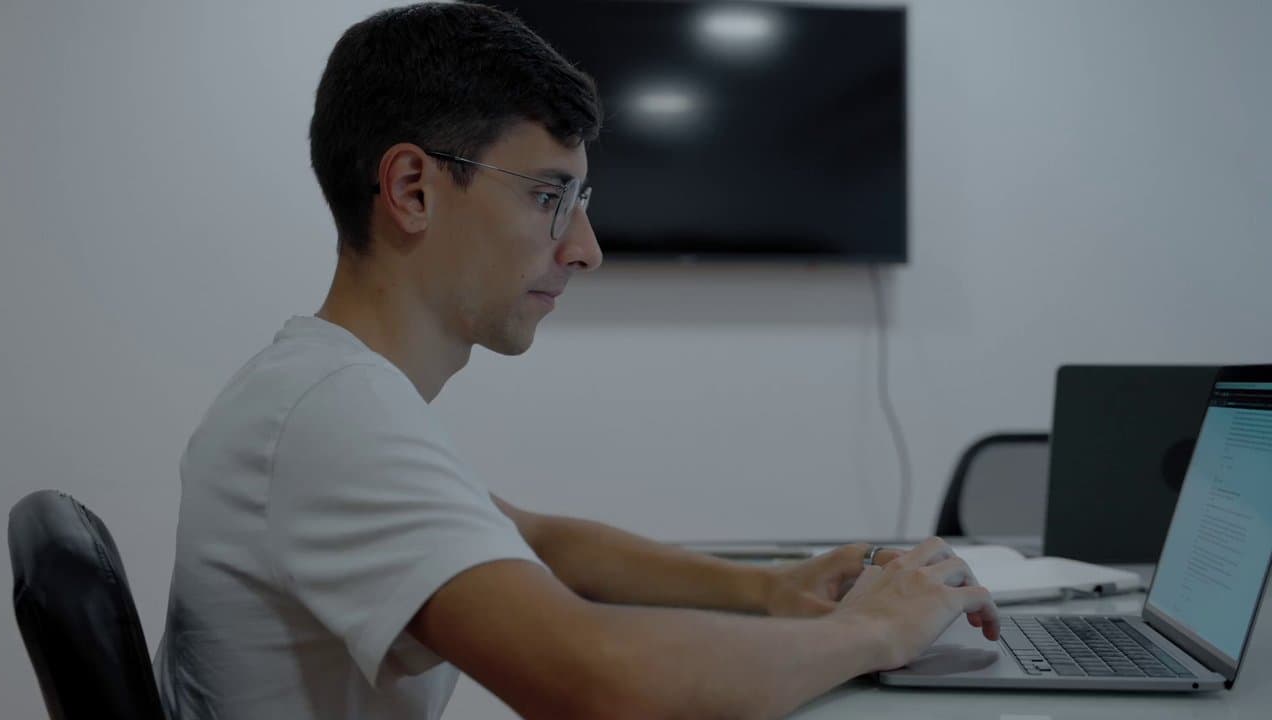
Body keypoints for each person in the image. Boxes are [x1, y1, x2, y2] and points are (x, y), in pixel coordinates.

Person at [153, 3, 1000, 719]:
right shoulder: (332, 415)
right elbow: (596, 679)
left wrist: (774, 590)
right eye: (549, 197)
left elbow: (546, 544)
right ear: (412, 189)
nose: (586, 249)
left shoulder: (325, 391)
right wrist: (874, 632)